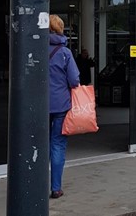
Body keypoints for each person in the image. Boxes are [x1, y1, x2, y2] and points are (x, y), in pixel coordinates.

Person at [48, 14, 80, 199]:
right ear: (60, 30)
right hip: (61, 105)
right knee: (58, 144)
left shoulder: (35, 49)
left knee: (40, 144)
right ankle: (56, 188)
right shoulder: (65, 53)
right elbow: (74, 80)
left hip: (39, 105)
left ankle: (36, 184)